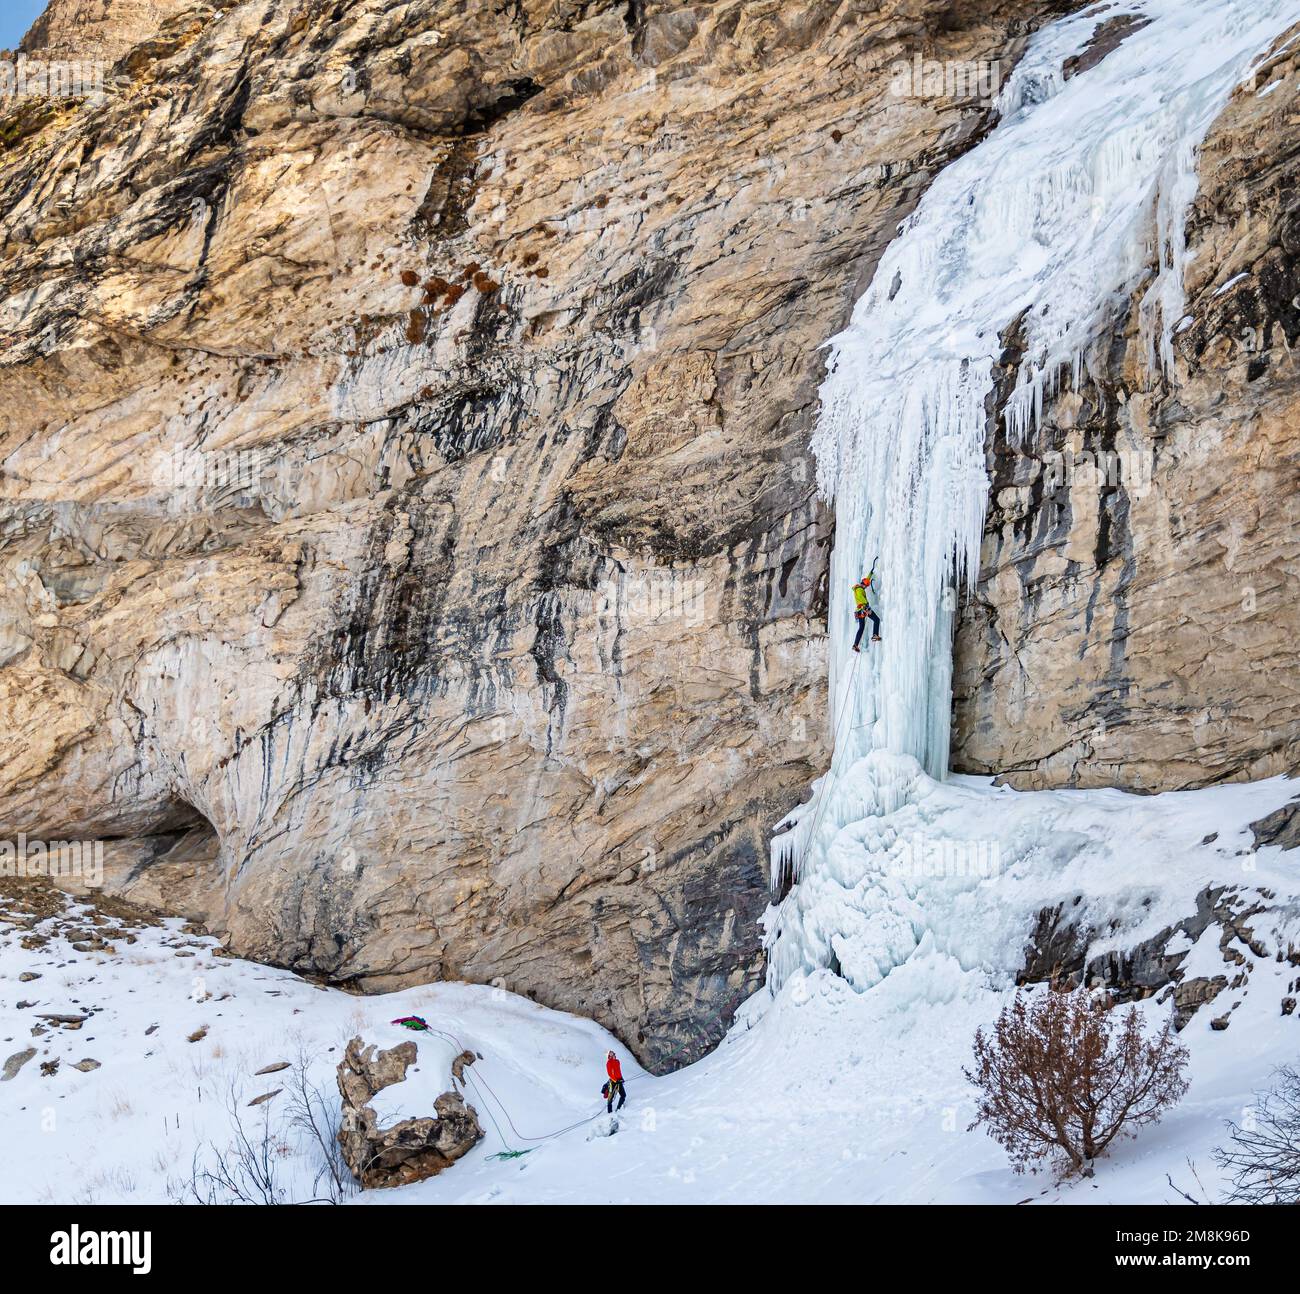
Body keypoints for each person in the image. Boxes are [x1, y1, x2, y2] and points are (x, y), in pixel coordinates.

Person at [852, 573, 881, 651]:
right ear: (863, 585)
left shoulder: (858, 588)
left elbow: (867, 580)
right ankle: (875, 635)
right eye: (866, 586)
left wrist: (870, 574)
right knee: (876, 620)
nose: (866, 587)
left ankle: (855, 645)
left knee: (861, 628)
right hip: (863, 609)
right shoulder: (859, 589)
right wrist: (866, 605)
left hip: (859, 611)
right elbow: (861, 598)